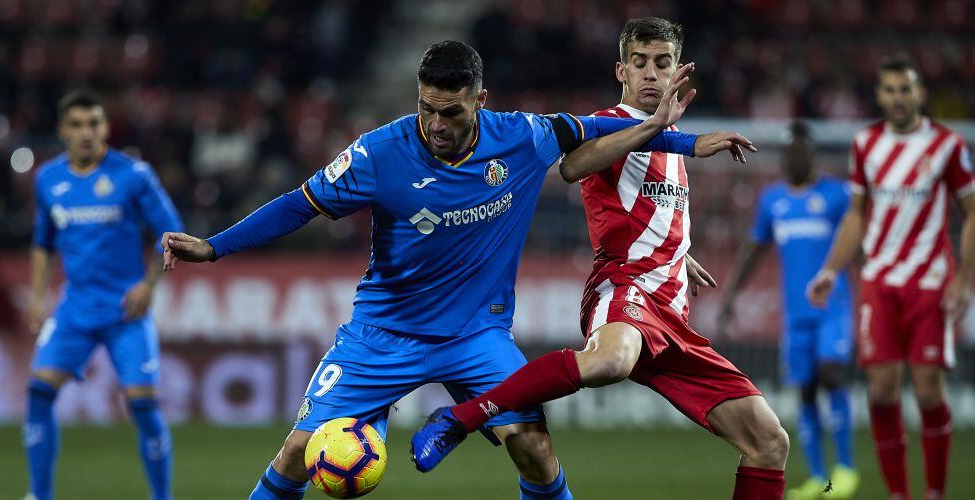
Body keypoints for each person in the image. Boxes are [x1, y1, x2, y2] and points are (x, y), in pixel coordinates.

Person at [161, 40, 753, 500]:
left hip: (477, 337)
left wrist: (680, 138)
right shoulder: (378, 153)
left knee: (535, 449)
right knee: (296, 453)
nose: (435, 123)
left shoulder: (522, 137)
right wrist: (215, 247)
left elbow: (595, 130)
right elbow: (299, 204)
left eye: (449, 111)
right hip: (382, 336)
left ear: (479, 100)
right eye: (426, 108)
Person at [410, 19, 789, 500]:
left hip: (670, 313)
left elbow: (652, 211)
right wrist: (653, 127)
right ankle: (462, 418)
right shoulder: (614, 121)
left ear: (677, 73)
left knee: (769, 442)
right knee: (610, 361)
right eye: (640, 62)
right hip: (623, 290)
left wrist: (680, 254)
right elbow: (571, 167)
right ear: (621, 70)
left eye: (663, 63)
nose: (651, 73)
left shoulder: (666, 141)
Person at [807, 55, 973, 500]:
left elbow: (972, 212)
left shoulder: (947, 145)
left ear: (920, 94)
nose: (898, 98)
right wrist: (830, 269)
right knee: (881, 392)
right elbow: (857, 215)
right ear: (880, 96)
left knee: (927, 391)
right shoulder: (865, 144)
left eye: (906, 89)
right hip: (879, 281)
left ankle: (934, 491)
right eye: (890, 90)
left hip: (929, 282)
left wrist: (964, 280)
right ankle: (899, 494)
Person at [24, 90, 183, 500]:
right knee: (38, 393)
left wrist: (148, 285)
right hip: (74, 309)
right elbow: (42, 243)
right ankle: (39, 496)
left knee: (143, 407)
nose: (86, 133)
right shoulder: (48, 179)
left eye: (94, 123)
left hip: (125, 312)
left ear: (106, 128)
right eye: (76, 125)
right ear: (62, 130)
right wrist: (39, 297)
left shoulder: (133, 175)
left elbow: (171, 232)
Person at [718, 121, 858, 499]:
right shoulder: (772, 200)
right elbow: (754, 248)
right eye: (788, 154)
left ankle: (846, 468)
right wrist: (730, 295)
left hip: (833, 308)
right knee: (807, 389)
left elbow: (859, 234)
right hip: (795, 316)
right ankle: (818, 477)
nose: (793, 159)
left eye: (800, 153)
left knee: (831, 374)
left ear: (811, 154)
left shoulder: (837, 195)